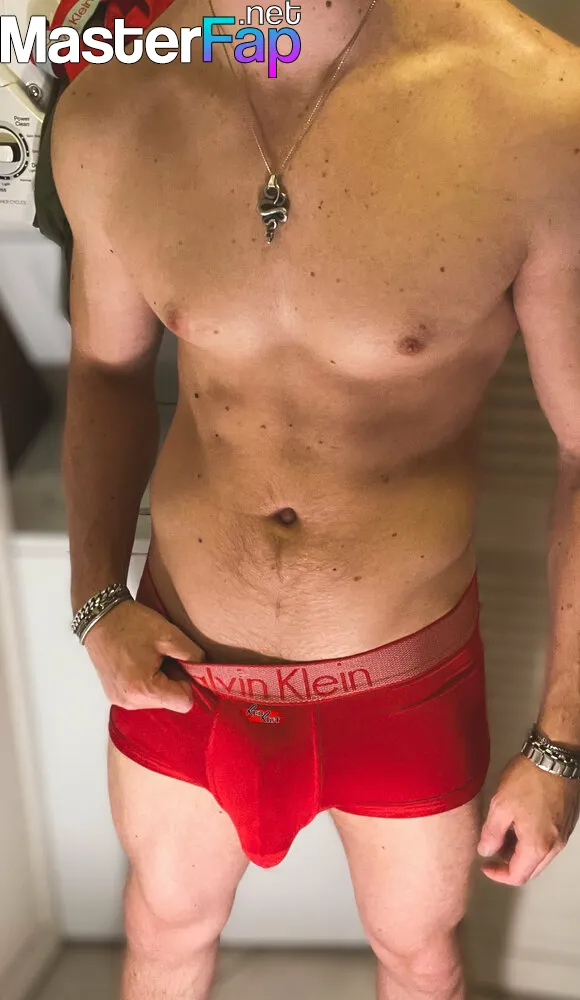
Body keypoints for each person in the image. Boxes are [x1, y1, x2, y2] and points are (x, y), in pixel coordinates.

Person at [51, 1, 580, 997]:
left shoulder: (540, 110)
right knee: (162, 928)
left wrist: (561, 742)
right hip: (183, 660)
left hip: (404, 683)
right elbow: (104, 369)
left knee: (420, 958)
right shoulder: (116, 107)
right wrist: (94, 601)